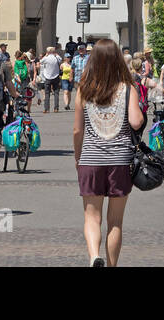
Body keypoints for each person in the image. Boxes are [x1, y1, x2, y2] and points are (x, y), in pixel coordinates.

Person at [73, 37, 145, 267]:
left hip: (91, 159)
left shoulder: (83, 90)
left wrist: (78, 157)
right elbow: (136, 122)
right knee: (115, 221)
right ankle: (112, 264)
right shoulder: (127, 89)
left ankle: (94, 256)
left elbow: (77, 130)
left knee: (92, 217)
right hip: (120, 160)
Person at [40, 45, 63, 113]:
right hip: (56, 76)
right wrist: (56, 55)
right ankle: (56, 108)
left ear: (47, 51)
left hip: (47, 77)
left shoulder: (46, 58)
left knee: (47, 93)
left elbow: (41, 61)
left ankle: (46, 109)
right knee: (56, 93)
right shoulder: (56, 57)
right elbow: (60, 60)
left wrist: (45, 55)